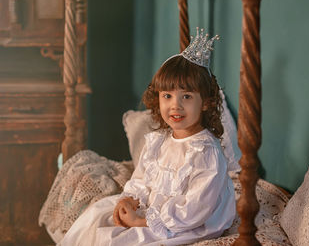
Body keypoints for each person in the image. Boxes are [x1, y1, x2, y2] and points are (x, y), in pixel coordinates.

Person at [57, 28, 236, 246]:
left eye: (186, 96)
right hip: (153, 210)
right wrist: (128, 201)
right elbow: (141, 178)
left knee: (121, 240)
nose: (175, 105)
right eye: (167, 96)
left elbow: (195, 209)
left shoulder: (206, 151)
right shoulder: (160, 140)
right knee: (96, 216)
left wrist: (142, 221)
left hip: (187, 223)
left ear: (206, 102)